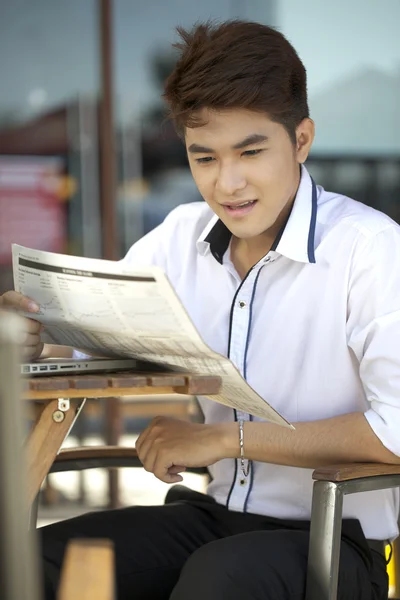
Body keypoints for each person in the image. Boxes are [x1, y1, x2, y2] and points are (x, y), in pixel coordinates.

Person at [1, 20, 399, 600]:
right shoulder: (177, 239)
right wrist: (32, 335)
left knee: (218, 580)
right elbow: (93, 342)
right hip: (209, 520)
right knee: (34, 563)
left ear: (302, 140)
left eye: (250, 151)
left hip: (337, 539)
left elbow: (395, 433)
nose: (227, 182)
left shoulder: (372, 250)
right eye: (204, 157)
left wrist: (222, 441)